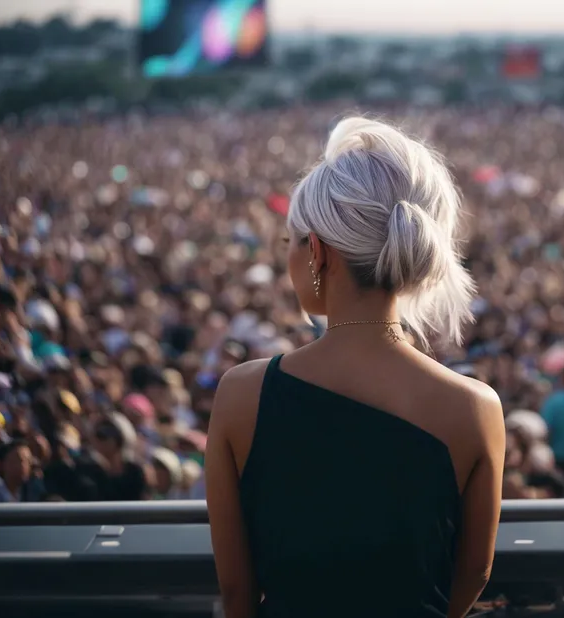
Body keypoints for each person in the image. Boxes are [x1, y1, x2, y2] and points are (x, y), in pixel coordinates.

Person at [206, 117, 506, 618]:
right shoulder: (475, 407)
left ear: (319, 253)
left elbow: (238, 595)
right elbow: (474, 571)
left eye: (291, 243)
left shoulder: (242, 395)